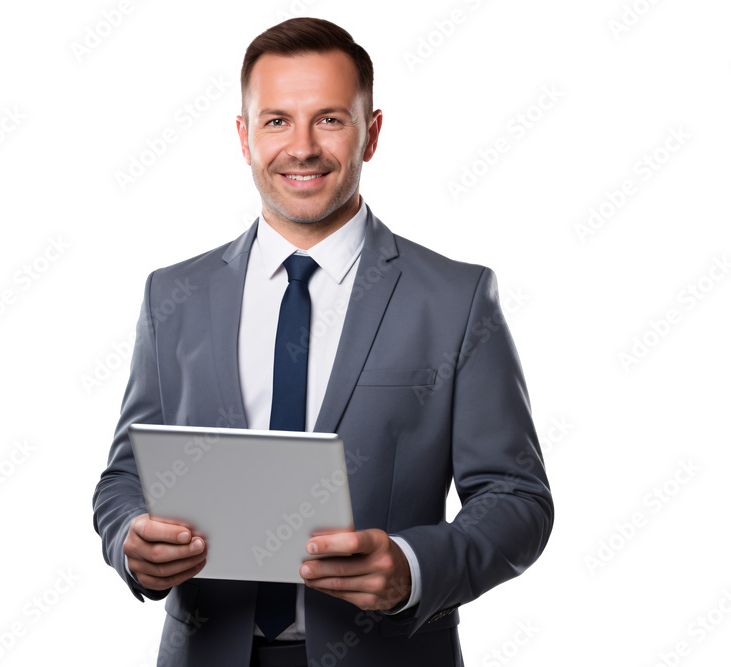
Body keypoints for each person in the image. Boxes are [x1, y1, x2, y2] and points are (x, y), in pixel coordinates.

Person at [93, 17, 553, 667]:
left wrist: (413, 567)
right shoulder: (174, 296)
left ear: (372, 133)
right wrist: (129, 540)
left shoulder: (454, 299)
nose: (301, 147)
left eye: (330, 119)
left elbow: (517, 498)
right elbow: (124, 479)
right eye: (277, 120)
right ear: (243, 136)